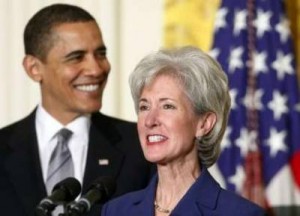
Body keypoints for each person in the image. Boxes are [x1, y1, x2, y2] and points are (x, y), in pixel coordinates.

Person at [0, 3, 153, 216]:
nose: (96, 69)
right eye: (76, 57)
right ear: (34, 69)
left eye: (100, 54)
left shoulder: (143, 146)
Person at [101, 46, 266, 216]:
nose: (150, 121)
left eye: (167, 106)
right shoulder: (116, 210)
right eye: (144, 107)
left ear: (204, 123)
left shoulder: (241, 213)